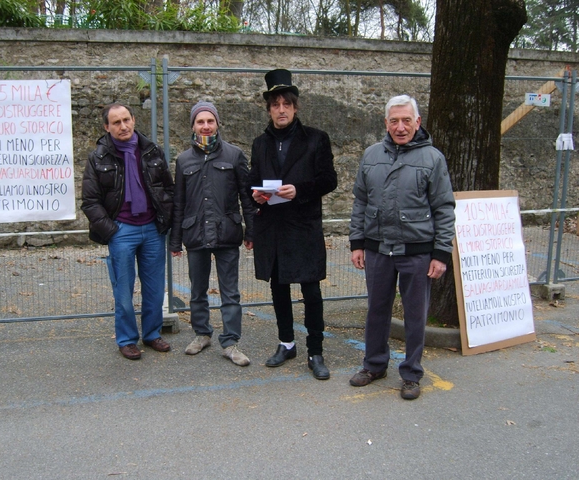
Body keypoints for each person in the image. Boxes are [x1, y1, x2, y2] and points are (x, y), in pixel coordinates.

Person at [348, 94, 455, 399]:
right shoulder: (371, 156)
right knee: (376, 310)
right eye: (394, 120)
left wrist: (440, 253)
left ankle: (411, 374)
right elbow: (360, 202)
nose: (400, 126)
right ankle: (374, 365)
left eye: (407, 120)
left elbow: (444, 208)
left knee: (415, 314)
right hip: (378, 249)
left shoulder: (433, 159)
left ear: (417, 122)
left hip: (417, 252)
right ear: (386, 123)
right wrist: (357, 243)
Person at [248, 69, 337, 380]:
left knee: (311, 291)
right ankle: (286, 343)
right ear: (269, 109)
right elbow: (252, 179)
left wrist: (300, 190)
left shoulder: (315, 139)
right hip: (272, 227)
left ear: (296, 107)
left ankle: (315, 351)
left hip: (303, 227)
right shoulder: (260, 143)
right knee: (279, 289)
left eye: (286, 103)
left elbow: (329, 180)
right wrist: (257, 195)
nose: (281, 109)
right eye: (275, 104)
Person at [82, 103, 174, 360]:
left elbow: (168, 188)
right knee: (123, 292)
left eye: (126, 120)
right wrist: (111, 230)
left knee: (155, 289)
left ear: (133, 120)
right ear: (107, 127)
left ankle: (153, 334)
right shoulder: (98, 157)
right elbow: (90, 201)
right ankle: (126, 339)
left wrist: (165, 219)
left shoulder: (151, 151)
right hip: (121, 230)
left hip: (153, 229)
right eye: (116, 122)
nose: (123, 126)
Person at [169, 101, 255, 366]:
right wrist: (175, 239)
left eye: (210, 121)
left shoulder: (234, 155)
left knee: (230, 292)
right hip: (195, 233)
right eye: (200, 121)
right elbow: (179, 202)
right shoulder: (183, 160)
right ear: (193, 126)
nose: (205, 126)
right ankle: (202, 333)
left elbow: (246, 196)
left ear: (217, 124)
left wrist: (251, 230)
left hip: (227, 231)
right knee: (198, 289)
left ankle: (230, 342)